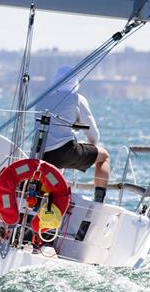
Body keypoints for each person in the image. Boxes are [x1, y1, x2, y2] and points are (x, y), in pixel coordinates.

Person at [38, 66, 110, 203]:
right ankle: (99, 200)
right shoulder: (77, 98)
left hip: (41, 154)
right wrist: (91, 147)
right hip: (65, 152)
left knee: (56, 163)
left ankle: (47, 198)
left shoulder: (43, 99)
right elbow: (93, 133)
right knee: (104, 156)